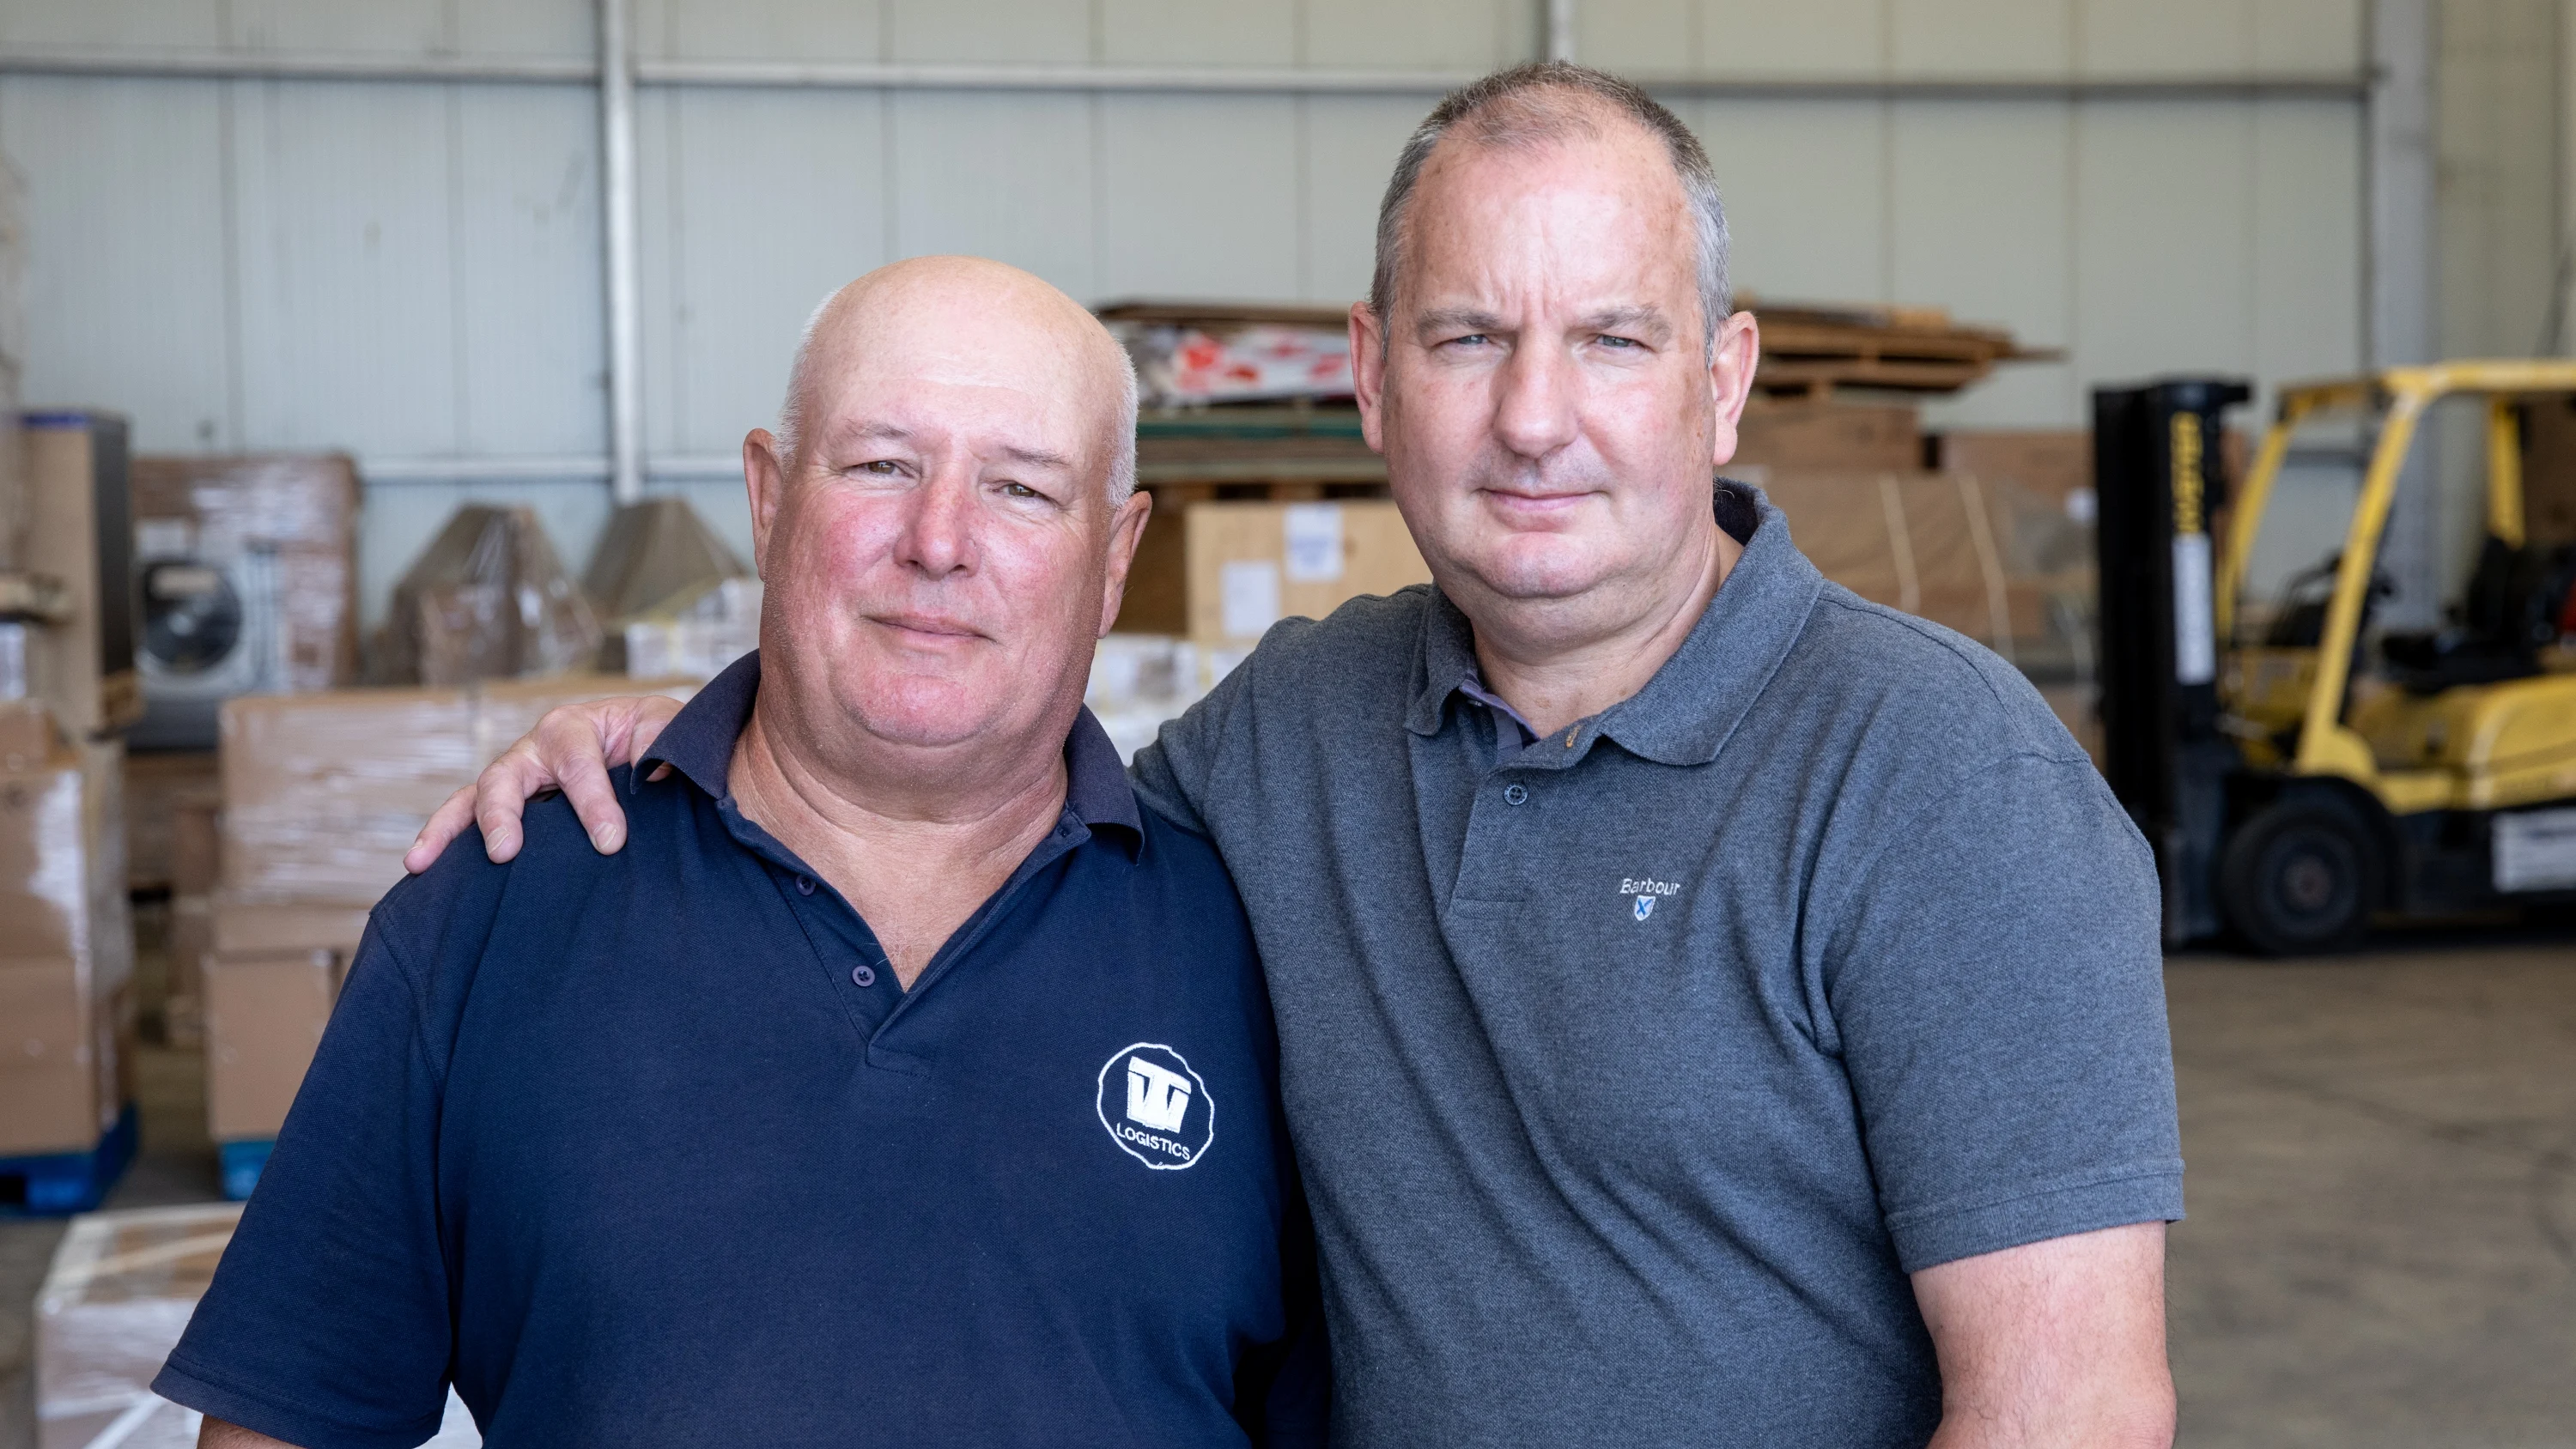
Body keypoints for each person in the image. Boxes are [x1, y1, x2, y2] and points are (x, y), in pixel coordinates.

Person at [410, 64, 2182, 1449]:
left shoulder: (1941, 785)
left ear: (1722, 383)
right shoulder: (1292, 734)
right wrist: (687, 740)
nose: (1534, 417)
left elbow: (2074, 1408)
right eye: (1469, 335)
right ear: (1370, 376)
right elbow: (977, 787)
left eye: (1612, 341)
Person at [158, 258, 1327, 1449]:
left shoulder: (1258, 948)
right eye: (882, 465)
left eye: (1022, 489)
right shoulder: (499, 906)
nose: (939, 541)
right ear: (769, 500)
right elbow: (288, 1421)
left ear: (1116, 556)